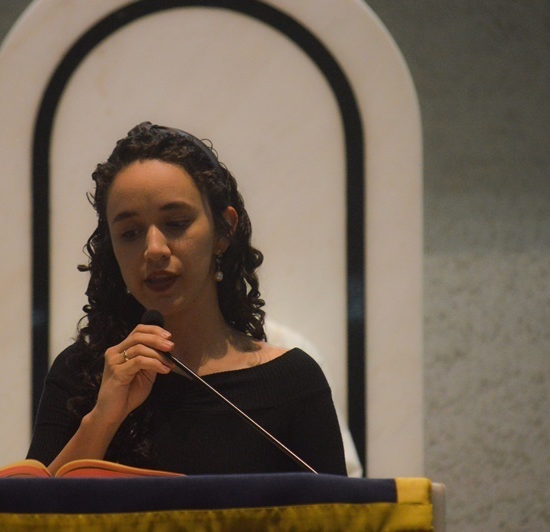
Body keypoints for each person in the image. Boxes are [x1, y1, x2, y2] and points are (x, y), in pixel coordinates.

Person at [26, 122, 346, 476]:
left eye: (176, 223)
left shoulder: (293, 382)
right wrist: (102, 419)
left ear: (224, 230)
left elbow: (338, 507)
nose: (154, 249)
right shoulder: (81, 375)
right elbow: (28, 509)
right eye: (130, 233)